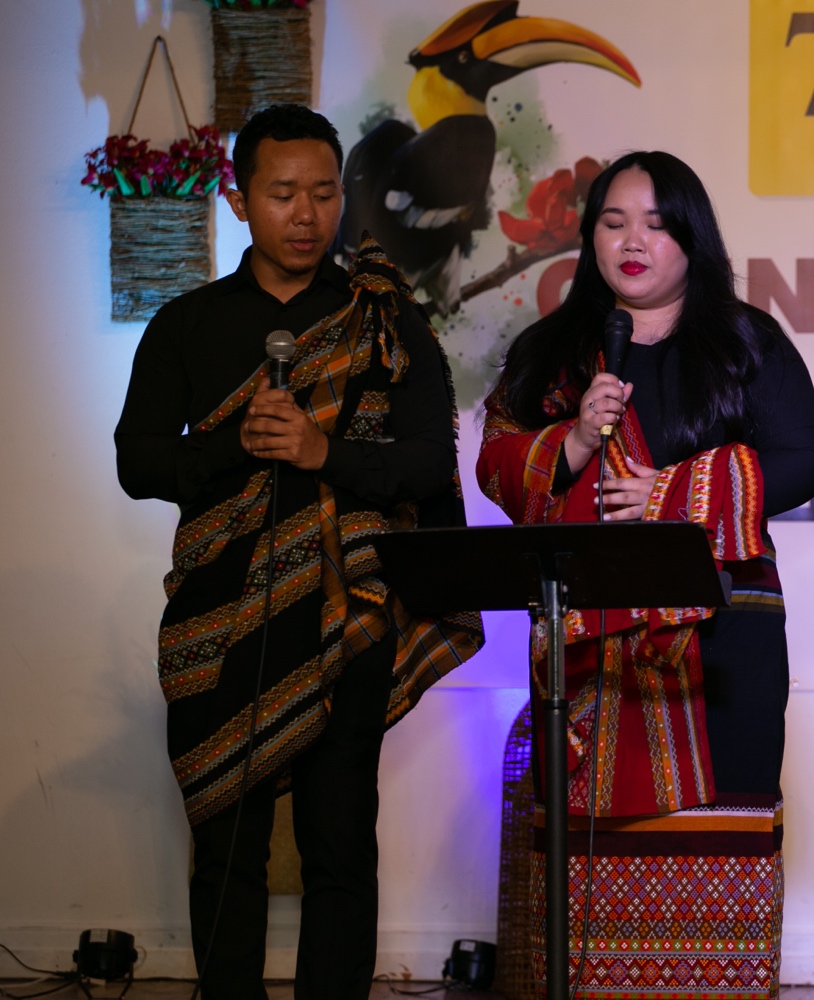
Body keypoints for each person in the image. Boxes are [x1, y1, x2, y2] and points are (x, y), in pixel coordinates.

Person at [114, 104, 482, 1000]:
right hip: (220, 619)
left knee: (340, 841)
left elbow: (430, 460)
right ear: (240, 200)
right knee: (225, 843)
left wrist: (326, 454)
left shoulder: (383, 318)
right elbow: (138, 462)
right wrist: (232, 443)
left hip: (346, 614)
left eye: (323, 193)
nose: (307, 215)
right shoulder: (188, 324)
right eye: (283, 194)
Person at [477, 151, 814, 998]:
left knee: (725, 837)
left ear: (691, 238)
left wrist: (673, 494)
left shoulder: (745, 342)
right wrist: (571, 441)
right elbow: (496, 466)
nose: (633, 241)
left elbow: (806, 461)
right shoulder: (551, 352)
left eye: (657, 224)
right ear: (591, 236)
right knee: (590, 858)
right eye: (613, 222)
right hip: (592, 646)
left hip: (725, 637)